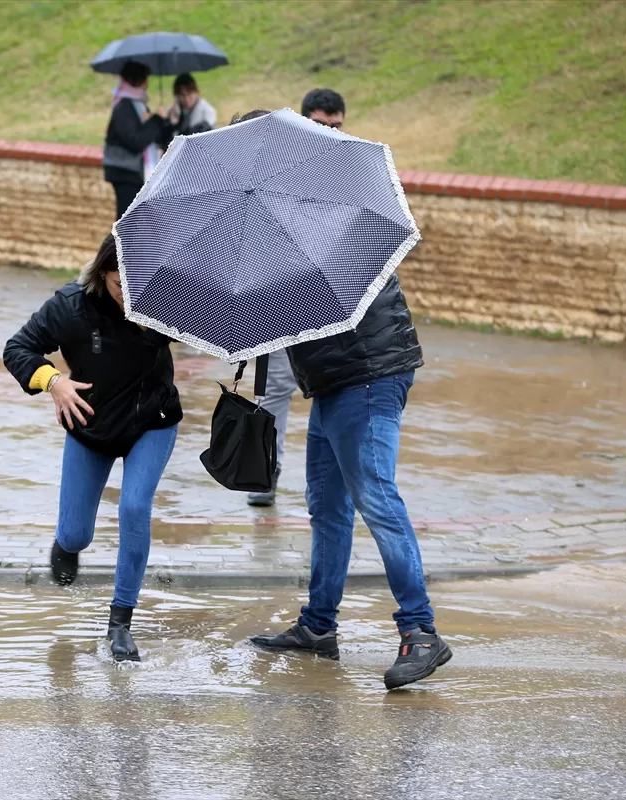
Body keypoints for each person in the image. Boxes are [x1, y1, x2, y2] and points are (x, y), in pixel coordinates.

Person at [236, 108, 451, 690]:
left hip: (371, 374)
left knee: (376, 496)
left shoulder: (326, 204)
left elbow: (315, 289)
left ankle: (421, 632)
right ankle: (318, 626)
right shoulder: (279, 217)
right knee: (326, 506)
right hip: (333, 382)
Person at [3, 234, 182, 663]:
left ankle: (120, 623)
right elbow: (17, 348)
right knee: (76, 533)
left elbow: (218, 323)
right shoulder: (71, 307)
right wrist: (53, 382)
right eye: (123, 286)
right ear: (103, 274)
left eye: (140, 285)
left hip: (151, 423)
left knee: (134, 508)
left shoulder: (165, 297)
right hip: (90, 426)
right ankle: (66, 545)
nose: (131, 297)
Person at [246, 88, 347, 508]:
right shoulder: (279, 168)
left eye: (337, 126)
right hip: (278, 294)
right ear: (303, 121)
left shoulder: (349, 171)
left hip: (329, 296)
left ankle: (335, 482)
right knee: (272, 389)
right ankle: (265, 474)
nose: (329, 134)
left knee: (336, 385)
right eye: (321, 125)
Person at [103, 61, 167, 220]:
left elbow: (151, 135)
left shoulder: (137, 106)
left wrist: (160, 121)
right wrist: (157, 119)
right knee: (128, 222)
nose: (147, 85)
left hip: (134, 172)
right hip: (125, 173)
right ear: (140, 81)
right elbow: (136, 141)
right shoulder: (124, 108)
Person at [160, 72, 218, 148]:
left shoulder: (207, 112)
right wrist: (171, 123)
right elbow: (165, 143)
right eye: (182, 95)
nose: (186, 99)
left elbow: (193, 137)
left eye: (190, 94)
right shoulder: (172, 112)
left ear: (197, 92)